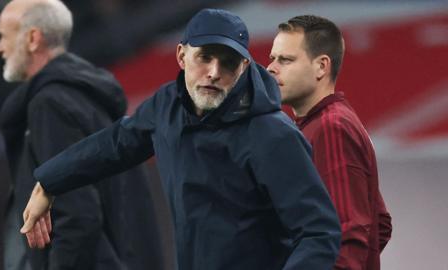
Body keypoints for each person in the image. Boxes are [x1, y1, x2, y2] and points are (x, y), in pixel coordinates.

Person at [20, 8, 342, 270]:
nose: (214, 71)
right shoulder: (167, 106)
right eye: (205, 57)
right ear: (181, 56)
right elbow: (115, 144)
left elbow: (319, 232)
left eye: (228, 62)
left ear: (244, 66)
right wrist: (49, 182)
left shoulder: (273, 136)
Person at [0, 0, 166, 269]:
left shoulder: (51, 104)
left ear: (32, 38)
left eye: (4, 37)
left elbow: (78, 216)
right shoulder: (86, 96)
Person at [267, 15, 392, 270]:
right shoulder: (325, 123)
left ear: (321, 67)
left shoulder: (331, 128)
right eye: (272, 58)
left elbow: (346, 235)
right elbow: (380, 224)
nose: (271, 68)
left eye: (286, 60)